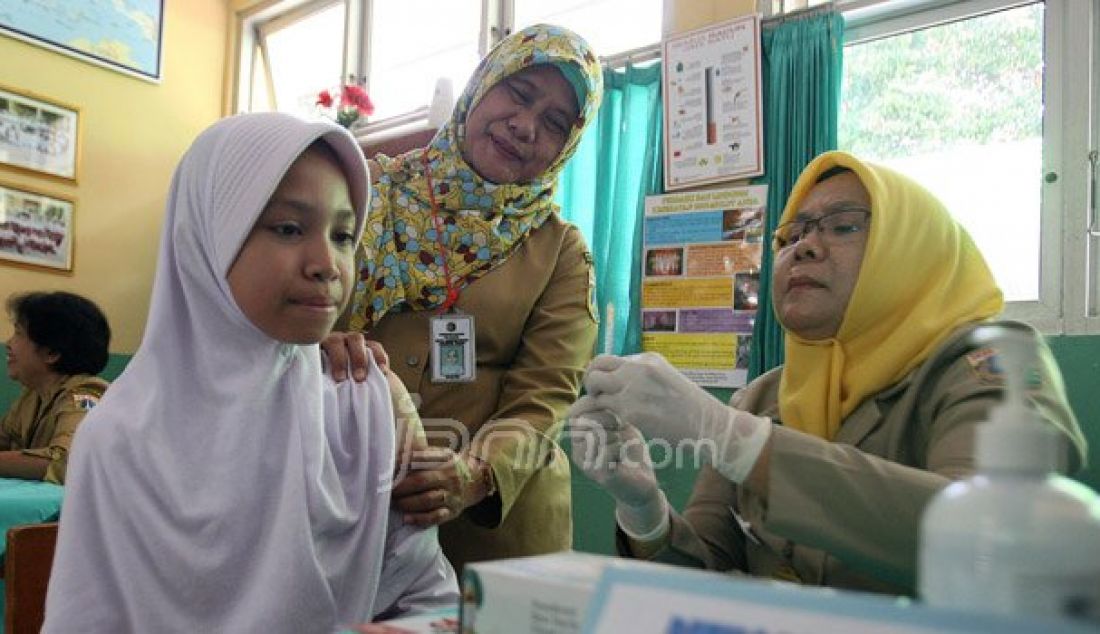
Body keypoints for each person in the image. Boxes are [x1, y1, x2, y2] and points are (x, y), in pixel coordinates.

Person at [569, 151, 1087, 596]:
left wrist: (735, 441)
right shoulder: (762, 397)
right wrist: (643, 508)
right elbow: (708, 575)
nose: (804, 247)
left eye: (843, 226)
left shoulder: (988, 364)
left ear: (910, 249)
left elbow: (993, 537)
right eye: (791, 234)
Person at [43, 112, 457, 632]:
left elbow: (431, 596)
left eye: (344, 234)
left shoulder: (362, 404)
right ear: (208, 239)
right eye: (288, 228)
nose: (327, 262)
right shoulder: (118, 439)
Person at [324, 23, 604, 572]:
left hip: (498, 538)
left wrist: (473, 475)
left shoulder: (560, 252)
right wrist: (322, 343)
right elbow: (297, 305)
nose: (524, 127)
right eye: (518, 95)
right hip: (354, 506)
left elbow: (544, 396)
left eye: (553, 123)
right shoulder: (365, 196)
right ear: (482, 85)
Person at [1, 291, 111, 484]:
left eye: (18, 333)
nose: (8, 344)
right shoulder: (33, 394)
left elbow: (70, 461)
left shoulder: (87, 394)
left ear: (51, 352)